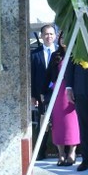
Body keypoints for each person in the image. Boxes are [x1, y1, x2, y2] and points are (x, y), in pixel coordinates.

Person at [47, 35, 79, 166]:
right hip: (58, 93)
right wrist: (43, 92)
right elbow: (48, 74)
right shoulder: (55, 55)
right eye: (62, 38)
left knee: (72, 123)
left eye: (67, 37)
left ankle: (72, 152)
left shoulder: (76, 54)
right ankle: (60, 154)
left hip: (72, 92)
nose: (64, 40)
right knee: (58, 123)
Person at [31, 24, 57, 157]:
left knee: (59, 121)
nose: (49, 36)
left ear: (55, 36)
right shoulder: (34, 55)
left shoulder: (61, 52)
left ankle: (61, 151)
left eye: (51, 34)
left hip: (59, 93)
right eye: (46, 34)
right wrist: (33, 96)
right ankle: (41, 151)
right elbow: (32, 77)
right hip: (42, 94)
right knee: (44, 122)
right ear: (41, 36)